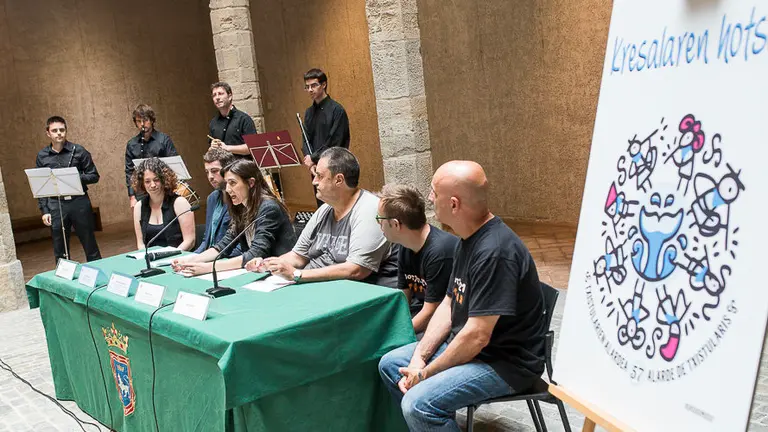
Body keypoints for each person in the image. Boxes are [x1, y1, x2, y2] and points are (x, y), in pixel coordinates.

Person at [378, 161, 547, 431]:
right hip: (473, 347)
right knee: (391, 364)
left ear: (454, 204)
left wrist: (425, 374)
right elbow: (448, 303)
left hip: (504, 364)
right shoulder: (467, 238)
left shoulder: (495, 252)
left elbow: (477, 336)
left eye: (434, 192)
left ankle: (428, 415)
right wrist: (420, 356)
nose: (430, 198)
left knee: (418, 404)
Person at [247, 148, 397, 287]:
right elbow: (298, 256)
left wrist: (297, 274)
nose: (314, 181)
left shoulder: (369, 209)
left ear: (339, 180)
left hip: (347, 290)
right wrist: (269, 264)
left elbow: (356, 270)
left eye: (319, 176)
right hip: (314, 283)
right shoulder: (325, 209)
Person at [171, 159, 296, 276]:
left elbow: (256, 253)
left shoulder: (268, 207)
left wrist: (208, 268)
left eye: (233, 183)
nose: (228, 189)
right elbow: (224, 245)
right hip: (258, 273)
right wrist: (190, 260)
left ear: (251, 183)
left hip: (279, 274)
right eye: (226, 184)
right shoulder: (241, 207)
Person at [377, 184, 459, 334]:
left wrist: (394, 335)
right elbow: (403, 299)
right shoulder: (404, 245)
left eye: (379, 219)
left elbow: (431, 312)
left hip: (445, 323)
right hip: (420, 313)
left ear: (395, 224)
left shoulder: (440, 252)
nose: (379, 225)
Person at [36, 116, 102, 263]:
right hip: (56, 203)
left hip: (79, 201)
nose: (59, 133)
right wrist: (45, 210)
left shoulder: (79, 151)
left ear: (66, 131)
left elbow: (94, 176)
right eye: (54, 130)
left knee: (89, 242)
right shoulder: (42, 156)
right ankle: (62, 280)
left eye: (62, 130)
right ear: (48, 133)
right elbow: (42, 186)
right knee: (60, 247)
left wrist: (74, 177)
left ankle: (98, 273)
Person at [300, 68, 350, 207]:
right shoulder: (309, 112)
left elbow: (335, 142)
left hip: (334, 167)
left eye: (314, 85)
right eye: (307, 87)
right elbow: (305, 139)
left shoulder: (337, 110)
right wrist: (309, 159)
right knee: (321, 206)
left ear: (324, 85)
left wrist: (314, 158)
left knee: (337, 206)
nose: (310, 90)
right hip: (316, 168)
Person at [131, 158, 195, 251]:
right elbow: (140, 244)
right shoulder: (139, 207)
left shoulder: (180, 203)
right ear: (142, 184)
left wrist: (170, 258)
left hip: (178, 259)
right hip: (151, 261)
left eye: (156, 180)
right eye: (147, 181)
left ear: (164, 180)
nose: (152, 185)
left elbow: (190, 241)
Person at [124, 104, 178, 209]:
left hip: (163, 189)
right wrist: (132, 196)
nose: (142, 124)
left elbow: (173, 166)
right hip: (142, 191)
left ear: (152, 120)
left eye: (145, 120)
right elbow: (129, 172)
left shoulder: (164, 140)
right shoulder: (131, 144)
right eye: (139, 121)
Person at [193, 147, 238, 255]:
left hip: (227, 259)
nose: (210, 177)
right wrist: (192, 257)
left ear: (228, 170)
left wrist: (207, 259)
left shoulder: (239, 198)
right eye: (207, 172)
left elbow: (240, 244)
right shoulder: (212, 198)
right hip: (209, 257)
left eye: (214, 171)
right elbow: (207, 240)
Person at [208, 81, 257, 158]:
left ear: (230, 96)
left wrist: (227, 148)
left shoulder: (244, 119)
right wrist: (212, 147)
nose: (217, 97)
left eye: (220, 94)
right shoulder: (213, 122)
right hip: (222, 167)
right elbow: (211, 151)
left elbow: (253, 147)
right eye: (214, 95)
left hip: (241, 167)